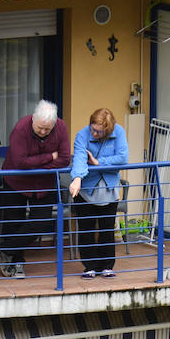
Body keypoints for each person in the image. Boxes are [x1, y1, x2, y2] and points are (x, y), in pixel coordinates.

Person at [0, 99, 71, 279]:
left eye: (47, 129)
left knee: (42, 221)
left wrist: (37, 165)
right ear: (33, 119)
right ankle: (15, 263)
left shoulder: (61, 128)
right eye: (39, 128)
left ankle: (6, 248)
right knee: (13, 221)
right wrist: (48, 157)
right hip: (16, 182)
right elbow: (20, 163)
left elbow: (64, 159)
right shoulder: (20, 129)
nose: (42, 132)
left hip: (45, 184)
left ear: (54, 123)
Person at [69, 107, 128, 279]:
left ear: (108, 131)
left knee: (107, 229)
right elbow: (79, 157)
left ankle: (107, 266)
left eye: (99, 132)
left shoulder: (119, 132)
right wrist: (78, 178)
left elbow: (123, 158)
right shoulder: (82, 135)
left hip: (109, 189)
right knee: (86, 229)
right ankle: (89, 266)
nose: (94, 133)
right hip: (86, 189)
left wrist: (98, 162)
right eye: (93, 129)